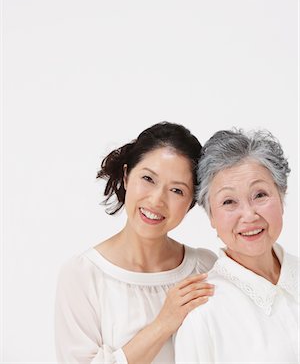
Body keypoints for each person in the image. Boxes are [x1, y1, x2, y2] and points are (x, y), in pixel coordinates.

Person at [55, 121, 217, 364]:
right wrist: (164, 323)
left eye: (177, 191)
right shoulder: (83, 274)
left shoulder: (205, 268)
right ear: (126, 176)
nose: (156, 200)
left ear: (190, 204)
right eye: (148, 179)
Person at [175, 129, 299, 364]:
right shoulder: (204, 313)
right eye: (229, 201)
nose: (249, 215)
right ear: (211, 216)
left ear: (281, 196)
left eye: (260, 195)